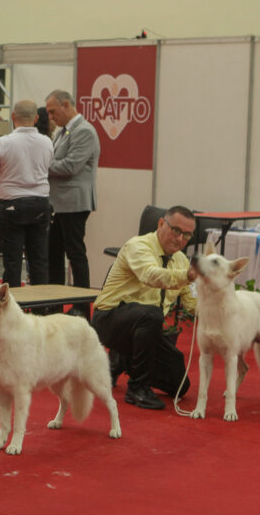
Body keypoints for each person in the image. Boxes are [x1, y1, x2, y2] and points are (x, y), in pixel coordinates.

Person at [92, 206, 198, 410]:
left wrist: (222, 306)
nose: (180, 239)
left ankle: (122, 360)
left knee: (180, 386)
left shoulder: (181, 260)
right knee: (151, 314)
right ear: (160, 224)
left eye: (187, 235)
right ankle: (136, 389)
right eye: (176, 230)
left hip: (146, 328)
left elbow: (192, 303)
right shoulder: (138, 246)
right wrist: (188, 276)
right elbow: (151, 275)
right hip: (109, 320)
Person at [0, 99, 53, 287]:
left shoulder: (3, 142)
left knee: (13, 262)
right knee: (39, 261)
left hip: (12, 206)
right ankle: (42, 310)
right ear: (37, 118)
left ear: (13, 116)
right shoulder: (47, 142)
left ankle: (12, 309)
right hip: (41, 204)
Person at [45, 89, 100, 292]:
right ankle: (55, 301)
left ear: (66, 105)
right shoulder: (63, 131)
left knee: (75, 253)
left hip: (74, 203)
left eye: (53, 111)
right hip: (60, 203)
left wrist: (41, 164)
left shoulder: (84, 130)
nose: (50, 117)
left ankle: (82, 304)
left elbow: (70, 166)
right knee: (54, 252)